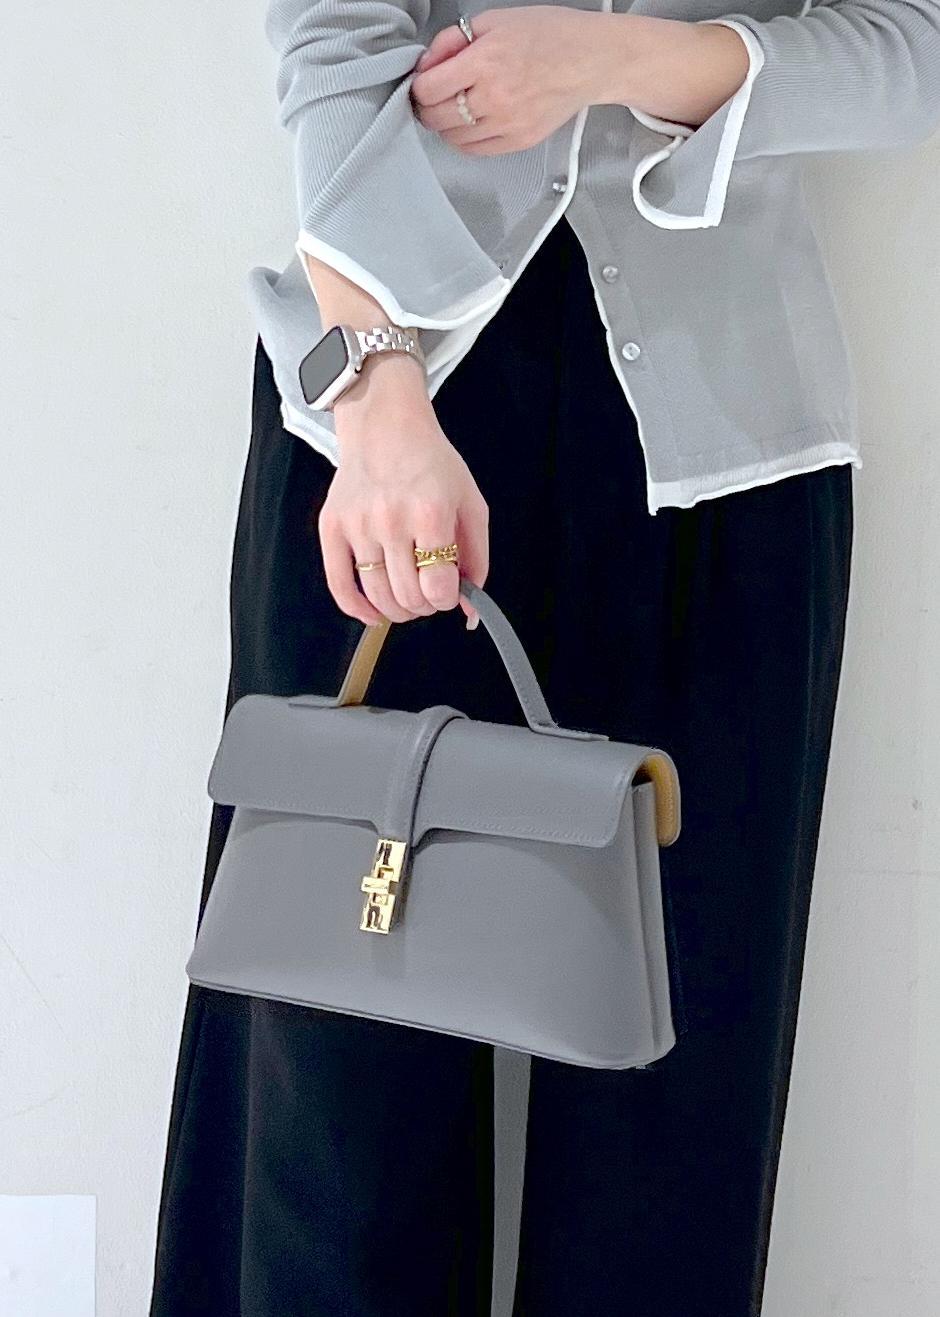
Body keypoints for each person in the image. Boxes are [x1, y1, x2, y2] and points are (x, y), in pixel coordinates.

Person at [149, 3, 940, 1314]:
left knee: (674, 1096)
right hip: (387, 436)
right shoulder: (381, 426)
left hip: (729, 453)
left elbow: (912, 54)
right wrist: (376, 397)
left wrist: (616, 60)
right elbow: (332, 33)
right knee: (332, 1095)